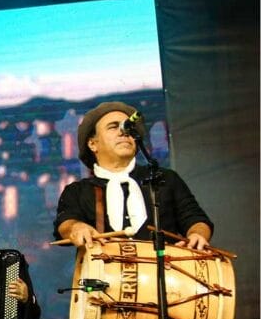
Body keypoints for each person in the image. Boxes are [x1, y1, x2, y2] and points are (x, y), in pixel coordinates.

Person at [54, 101, 213, 250]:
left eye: (128, 127)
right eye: (113, 127)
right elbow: (65, 223)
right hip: (105, 278)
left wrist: (197, 234)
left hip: (167, 274)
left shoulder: (165, 179)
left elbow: (196, 219)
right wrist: (76, 227)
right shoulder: (77, 191)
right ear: (92, 144)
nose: (124, 132)